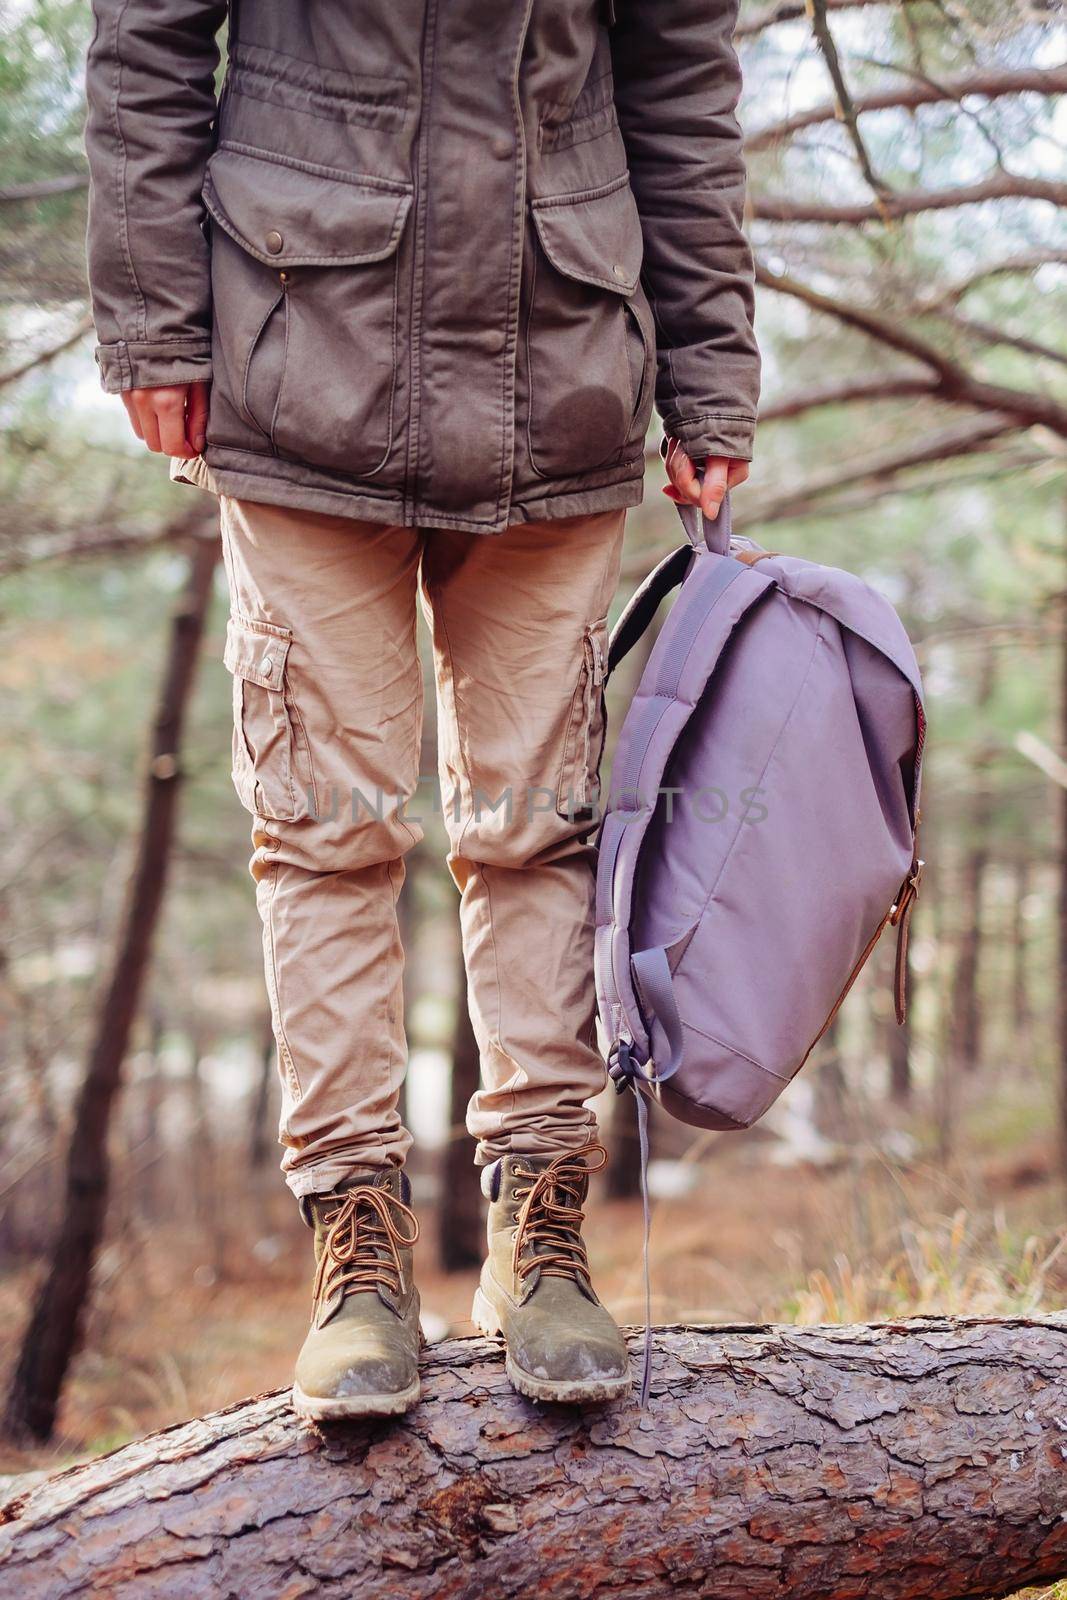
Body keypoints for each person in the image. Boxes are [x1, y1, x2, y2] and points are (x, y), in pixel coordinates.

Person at [83, 0, 759, 1418]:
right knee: (325, 832)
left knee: (539, 830)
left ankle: (538, 1231)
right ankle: (357, 1246)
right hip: (296, 371)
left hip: (563, 379)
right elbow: (146, 44)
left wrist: (711, 372)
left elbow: (682, 81)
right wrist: (151, 318)